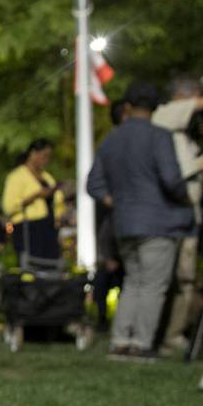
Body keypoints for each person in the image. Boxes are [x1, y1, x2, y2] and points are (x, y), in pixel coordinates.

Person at [87, 81, 194, 362]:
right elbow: (171, 180)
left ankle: (120, 342)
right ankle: (141, 345)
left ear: (128, 107)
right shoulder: (159, 137)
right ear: (155, 108)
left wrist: (119, 202)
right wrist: (186, 199)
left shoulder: (112, 139)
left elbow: (94, 185)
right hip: (158, 222)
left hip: (124, 223)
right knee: (153, 285)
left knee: (133, 281)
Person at [152, 77, 203, 355]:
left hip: (188, 213)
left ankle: (175, 334)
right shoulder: (165, 116)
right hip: (172, 212)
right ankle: (165, 337)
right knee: (170, 278)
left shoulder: (182, 135)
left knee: (186, 279)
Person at [93, 98, 129, 331]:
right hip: (116, 225)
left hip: (130, 224)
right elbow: (94, 184)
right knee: (103, 278)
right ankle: (105, 321)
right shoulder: (114, 144)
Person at [2, 138, 65, 262]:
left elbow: (58, 201)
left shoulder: (47, 177)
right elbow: (9, 207)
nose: (46, 160)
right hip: (28, 229)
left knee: (51, 264)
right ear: (33, 153)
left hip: (48, 228)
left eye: (49, 157)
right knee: (33, 266)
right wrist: (36, 196)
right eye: (44, 156)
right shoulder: (17, 177)